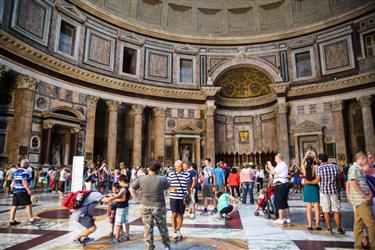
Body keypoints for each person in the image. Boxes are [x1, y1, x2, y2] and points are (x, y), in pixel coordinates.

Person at [130, 160, 171, 250]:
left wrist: (136, 198)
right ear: (158, 169)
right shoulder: (162, 179)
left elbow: (131, 188)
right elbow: (169, 188)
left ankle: (149, 247)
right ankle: (167, 246)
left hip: (145, 205)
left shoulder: (141, 179)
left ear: (148, 168)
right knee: (162, 226)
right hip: (159, 205)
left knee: (147, 227)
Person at [304, 153, 345, 234]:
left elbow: (316, 181)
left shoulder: (320, 168)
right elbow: (338, 180)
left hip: (324, 192)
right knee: (336, 210)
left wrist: (307, 181)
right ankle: (339, 228)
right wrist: (338, 188)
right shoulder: (334, 167)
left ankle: (329, 227)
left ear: (320, 160)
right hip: (334, 191)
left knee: (326, 210)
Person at [347, 152, 374, 249]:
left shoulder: (359, 169)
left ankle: (357, 246)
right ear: (362, 159)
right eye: (366, 159)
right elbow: (353, 183)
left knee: (359, 225)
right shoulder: (354, 168)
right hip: (360, 200)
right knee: (371, 224)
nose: (367, 161)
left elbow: (363, 182)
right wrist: (364, 195)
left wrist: (369, 192)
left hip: (361, 200)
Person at [9, 159, 39, 226]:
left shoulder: (16, 171)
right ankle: (31, 219)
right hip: (22, 190)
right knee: (28, 205)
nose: (29, 165)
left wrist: (12, 187)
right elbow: (24, 181)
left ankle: (11, 220)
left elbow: (13, 180)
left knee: (14, 206)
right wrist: (28, 190)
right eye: (28, 164)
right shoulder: (25, 171)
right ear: (26, 164)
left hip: (15, 190)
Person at [167, 160, 190, 240]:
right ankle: (174, 231)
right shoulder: (171, 175)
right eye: (179, 166)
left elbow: (188, 185)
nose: (181, 168)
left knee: (181, 214)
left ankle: (178, 229)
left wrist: (188, 195)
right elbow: (167, 185)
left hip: (182, 197)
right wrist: (171, 188)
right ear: (175, 166)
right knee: (174, 214)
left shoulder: (186, 174)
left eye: (181, 166)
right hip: (173, 197)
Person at [266, 154, 291, 224]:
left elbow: (273, 172)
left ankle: (281, 219)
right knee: (284, 202)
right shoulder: (282, 165)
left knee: (278, 201)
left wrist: (270, 165)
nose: (274, 160)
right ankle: (287, 218)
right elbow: (273, 172)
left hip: (281, 185)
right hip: (283, 185)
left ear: (279, 158)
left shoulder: (281, 165)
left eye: (275, 158)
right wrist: (270, 169)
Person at [301, 152, 321, 230]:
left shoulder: (305, 168)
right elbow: (318, 163)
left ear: (306, 161)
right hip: (314, 186)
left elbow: (302, 163)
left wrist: (306, 155)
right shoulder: (316, 168)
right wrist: (314, 155)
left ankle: (309, 225)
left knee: (308, 207)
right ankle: (317, 225)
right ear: (313, 161)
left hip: (307, 187)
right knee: (317, 207)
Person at [109, 175, 131, 244]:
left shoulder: (123, 189)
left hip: (121, 207)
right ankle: (127, 235)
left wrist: (114, 198)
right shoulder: (129, 187)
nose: (119, 184)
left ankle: (117, 238)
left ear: (122, 181)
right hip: (126, 206)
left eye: (119, 182)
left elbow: (123, 199)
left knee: (118, 223)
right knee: (126, 221)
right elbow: (129, 198)